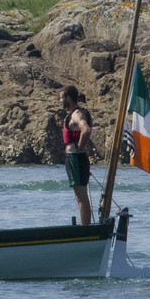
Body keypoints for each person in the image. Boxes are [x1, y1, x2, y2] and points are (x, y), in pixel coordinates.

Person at [61, 84, 95, 225]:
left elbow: (86, 130)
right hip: (77, 158)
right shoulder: (75, 114)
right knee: (80, 195)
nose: (60, 101)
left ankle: (85, 228)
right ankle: (85, 226)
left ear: (68, 98)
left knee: (81, 196)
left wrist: (80, 146)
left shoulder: (76, 114)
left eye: (61, 98)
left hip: (76, 158)